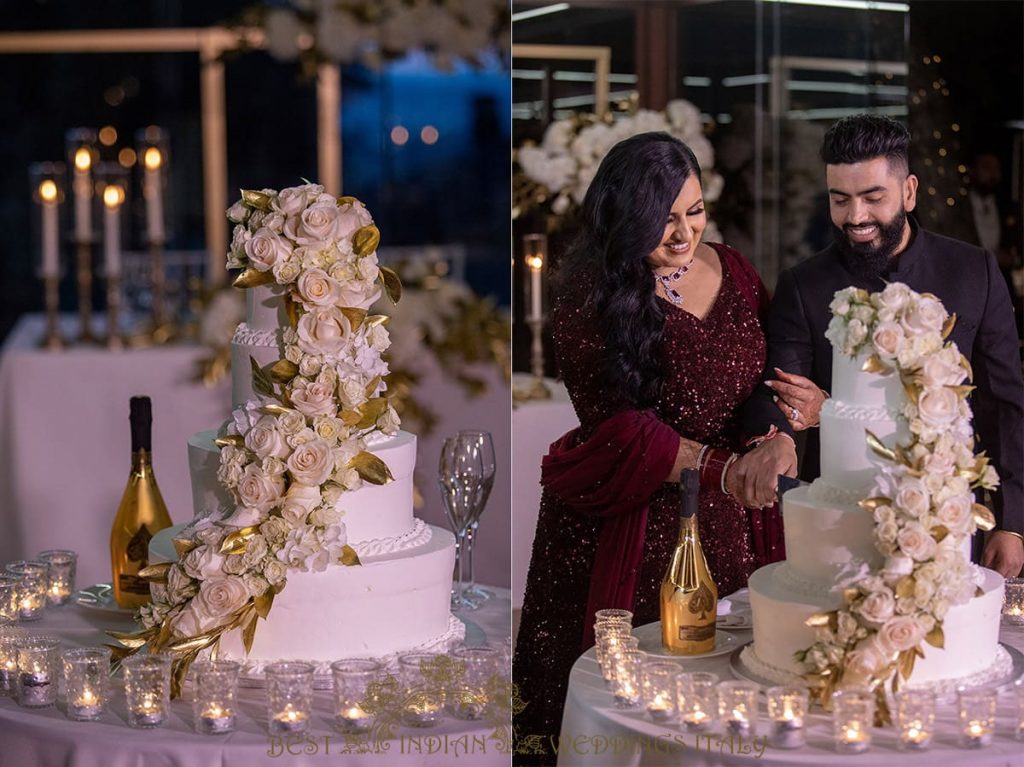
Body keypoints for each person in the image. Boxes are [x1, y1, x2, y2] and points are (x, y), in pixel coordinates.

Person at [512, 132, 795, 764]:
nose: (683, 234)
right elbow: (619, 430)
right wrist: (726, 469)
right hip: (640, 529)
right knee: (653, 717)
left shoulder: (737, 269)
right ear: (622, 216)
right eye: (661, 219)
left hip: (741, 519)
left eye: (694, 212)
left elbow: (764, 380)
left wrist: (776, 435)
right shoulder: (589, 293)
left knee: (739, 709)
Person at [737, 114, 1024, 578]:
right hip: (838, 525)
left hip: (942, 519)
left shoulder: (974, 271)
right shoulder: (803, 285)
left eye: (873, 197)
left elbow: (1004, 402)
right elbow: (780, 390)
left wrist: (1012, 523)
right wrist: (780, 435)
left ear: (908, 191)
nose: (856, 218)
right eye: (840, 200)